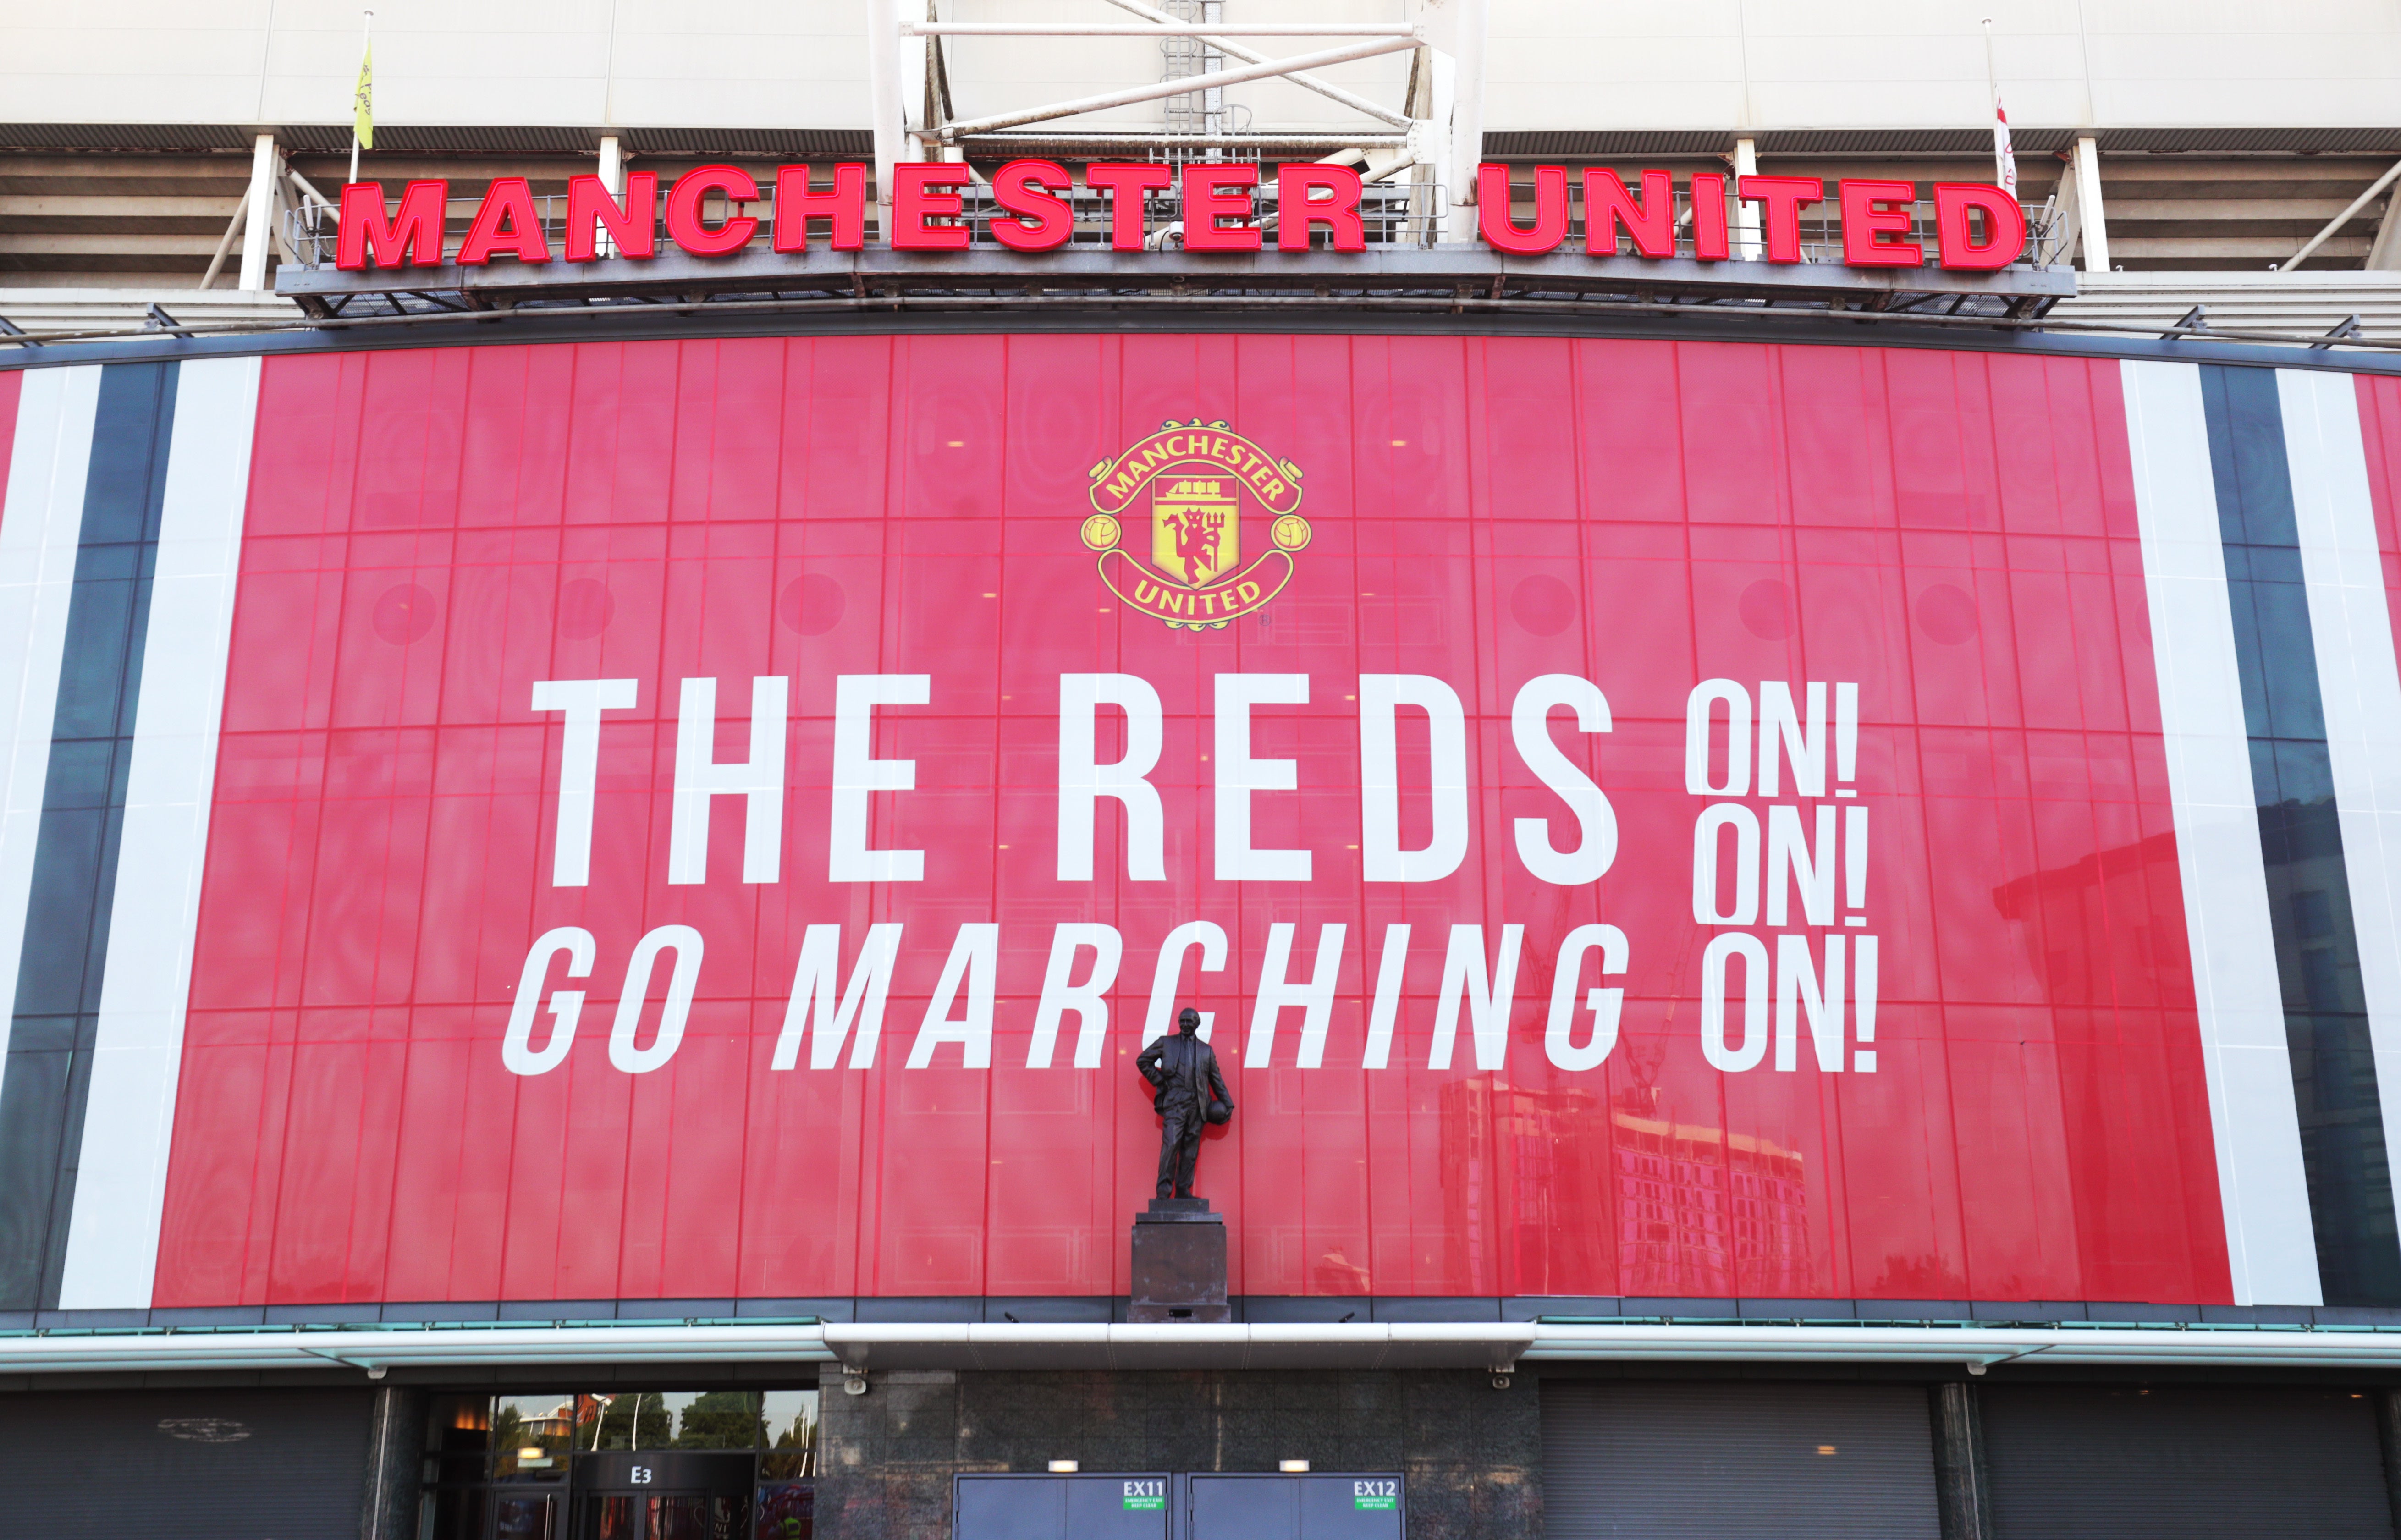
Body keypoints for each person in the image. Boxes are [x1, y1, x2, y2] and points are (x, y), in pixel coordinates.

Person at [1135, 1007, 1234, 1200]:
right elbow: (1143, 1060)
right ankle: (1163, 1193)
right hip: (1175, 1102)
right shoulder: (1166, 1043)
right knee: (1171, 1144)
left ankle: (1183, 1190)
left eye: (1190, 1021)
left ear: (1197, 1024)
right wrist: (1160, 1080)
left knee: (1190, 1149)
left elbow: (1216, 1080)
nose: (1186, 1025)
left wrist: (1227, 1104)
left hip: (1197, 1105)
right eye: (1183, 1021)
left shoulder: (1206, 1051)